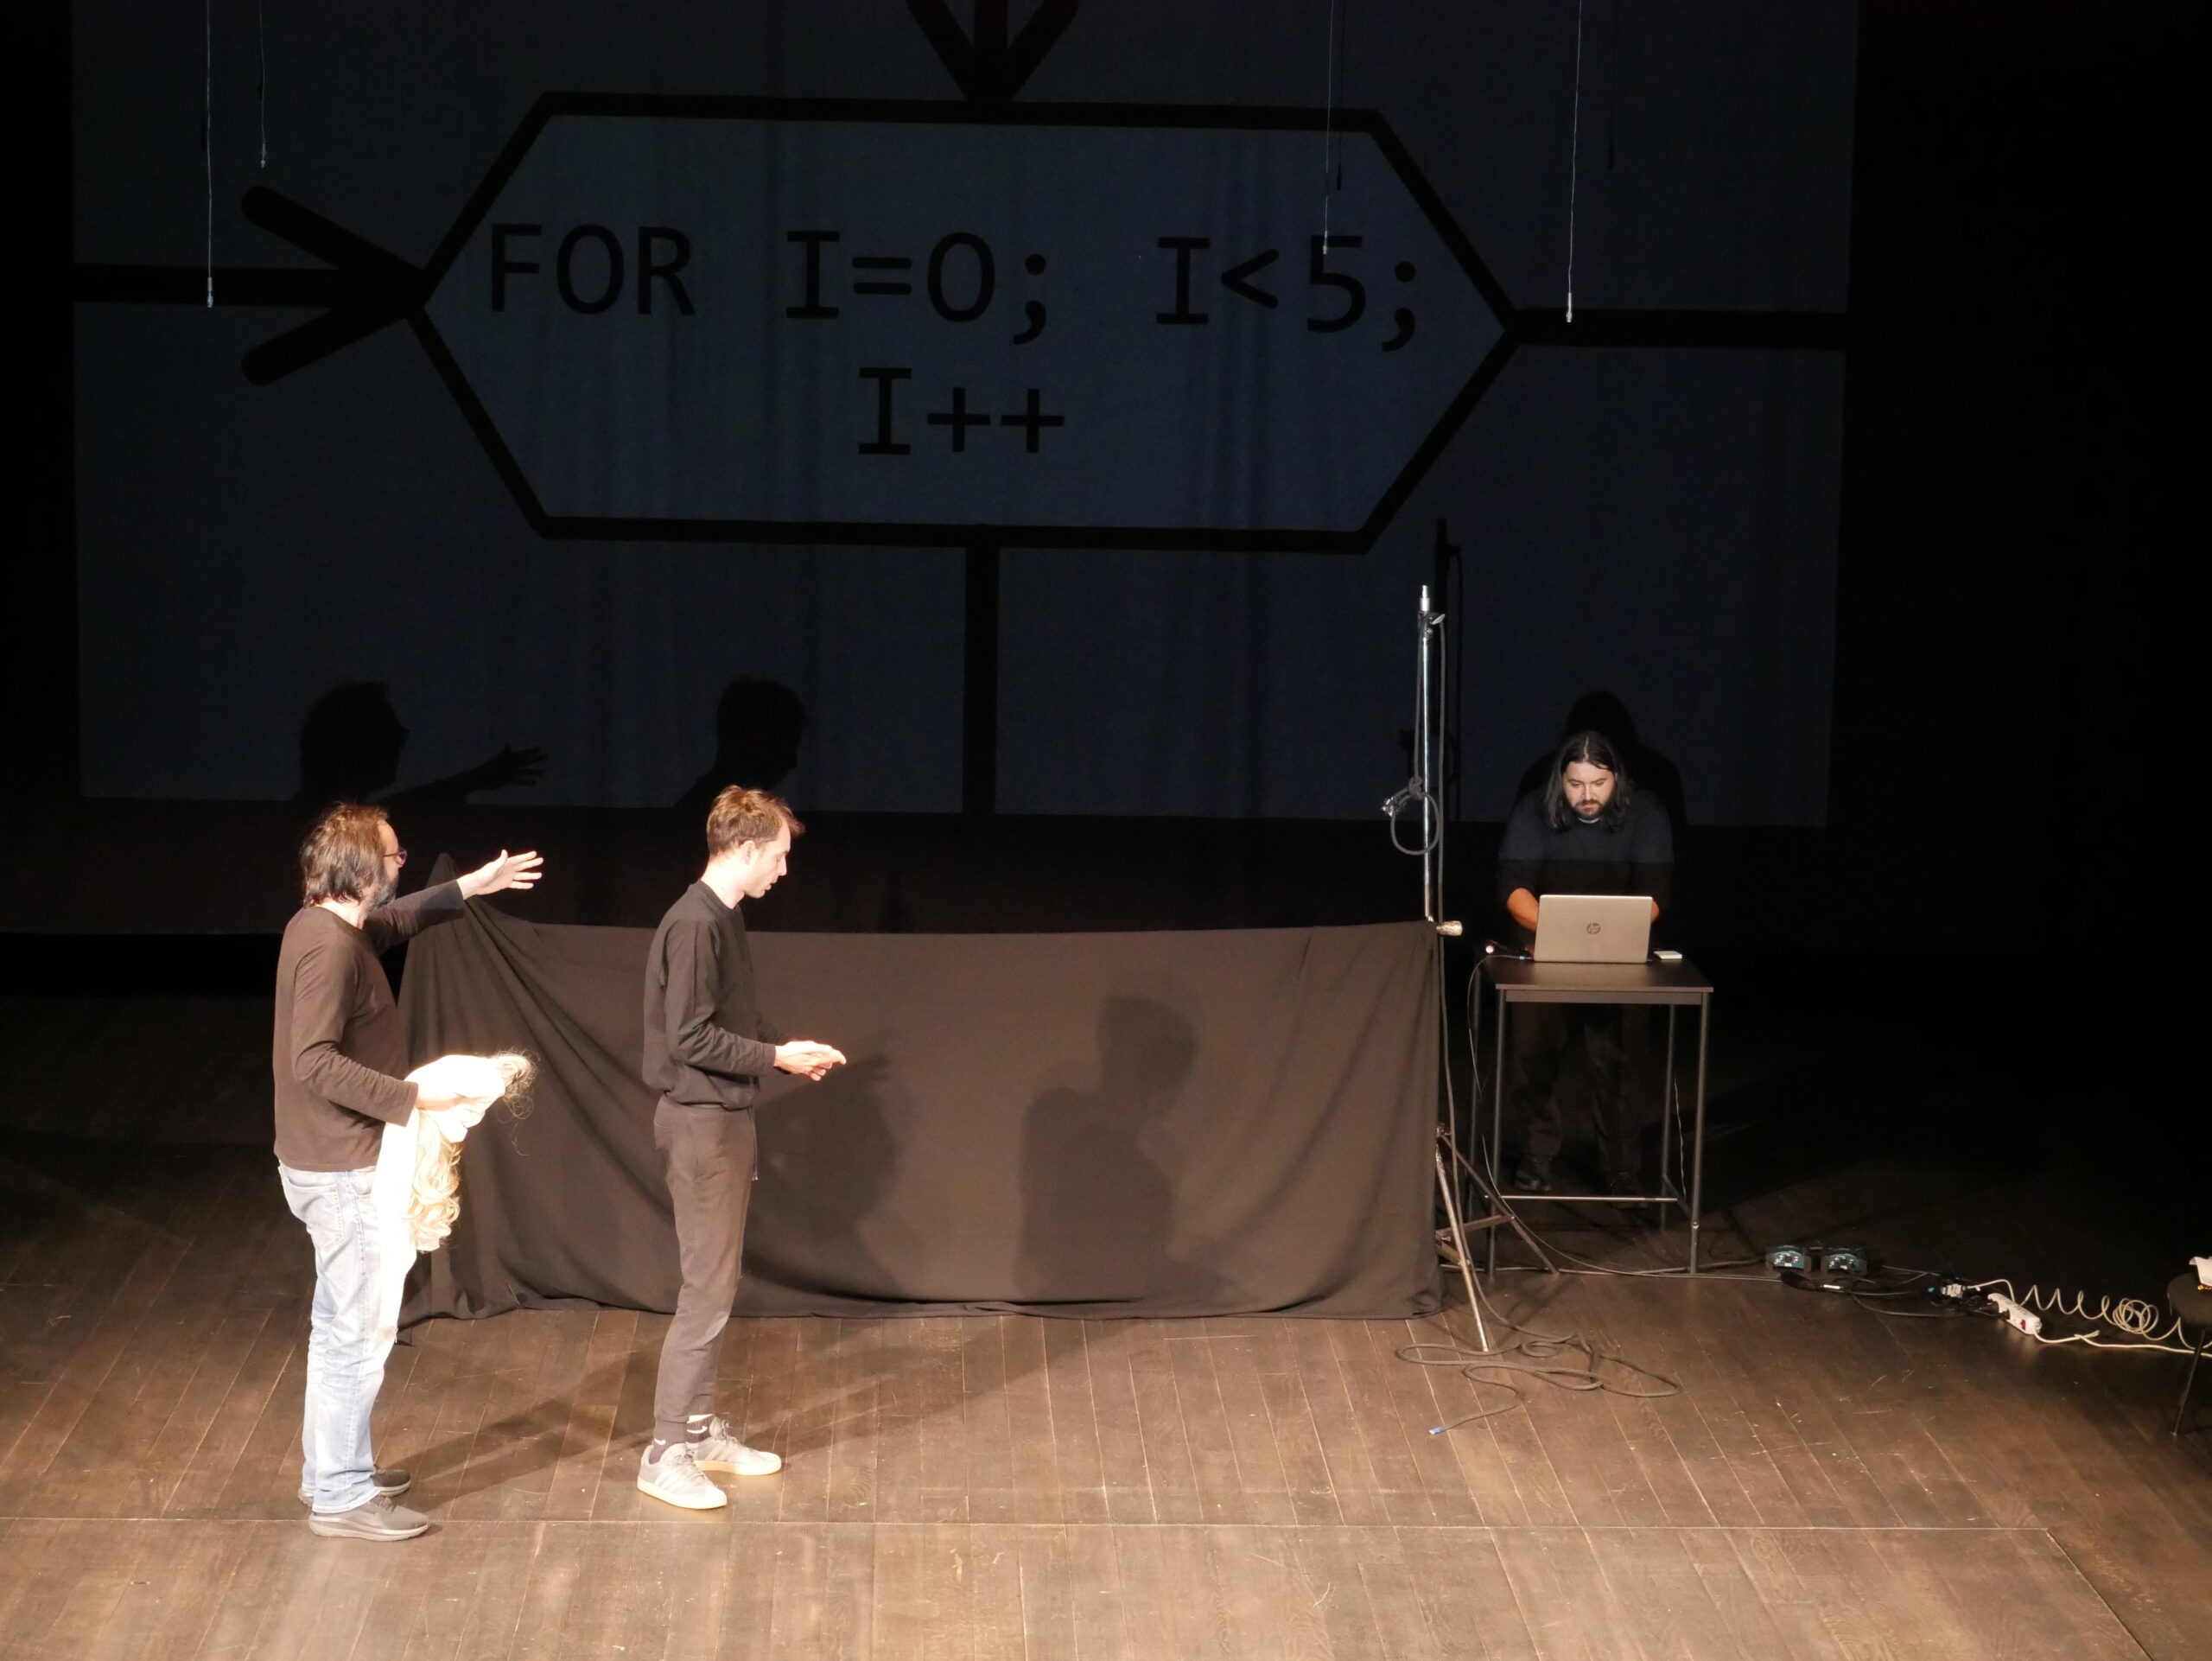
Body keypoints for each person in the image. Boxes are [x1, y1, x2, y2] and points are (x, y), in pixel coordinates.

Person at [273, 805, 543, 1540]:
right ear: (362, 868)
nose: (401, 864)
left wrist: (473, 886)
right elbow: (314, 1062)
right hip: (342, 1169)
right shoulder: (330, 951)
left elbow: (394, 922)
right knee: (357, 1336)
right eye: (393, 857)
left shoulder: (325, 926)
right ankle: (341, 1495)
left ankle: (334, 1470)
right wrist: (415, 1098)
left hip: (325, 1160)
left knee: (340, 1326)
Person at [638, 786, 846, 1511]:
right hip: (700, 1126)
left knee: (718, 1288)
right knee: (706, 1292)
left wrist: (785, 1053)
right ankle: (665, 1451)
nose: (784, 870)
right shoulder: (696, 924)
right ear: (746, 847)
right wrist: (775, 1057)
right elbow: (690, 1037)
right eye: (779, 856)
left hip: (722, 1121)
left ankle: (696, 1432)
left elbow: (726, 1023)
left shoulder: (722, 918)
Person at [1497, 730, 1674, 1195]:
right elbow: (1514, 887)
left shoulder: (1646, 813)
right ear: (1562, 780)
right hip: (1543, 948)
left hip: (1621, 955)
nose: (1587, 795)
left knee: (1620, 1062)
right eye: (1576, 784)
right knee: (1533, 1059)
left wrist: (1615, 933)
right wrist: (1558, 932)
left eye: (1598, 784)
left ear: (1617, 780)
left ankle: (1621, 1166)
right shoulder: (1534, 811)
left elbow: (1655, 892)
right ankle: (1535, 1155)